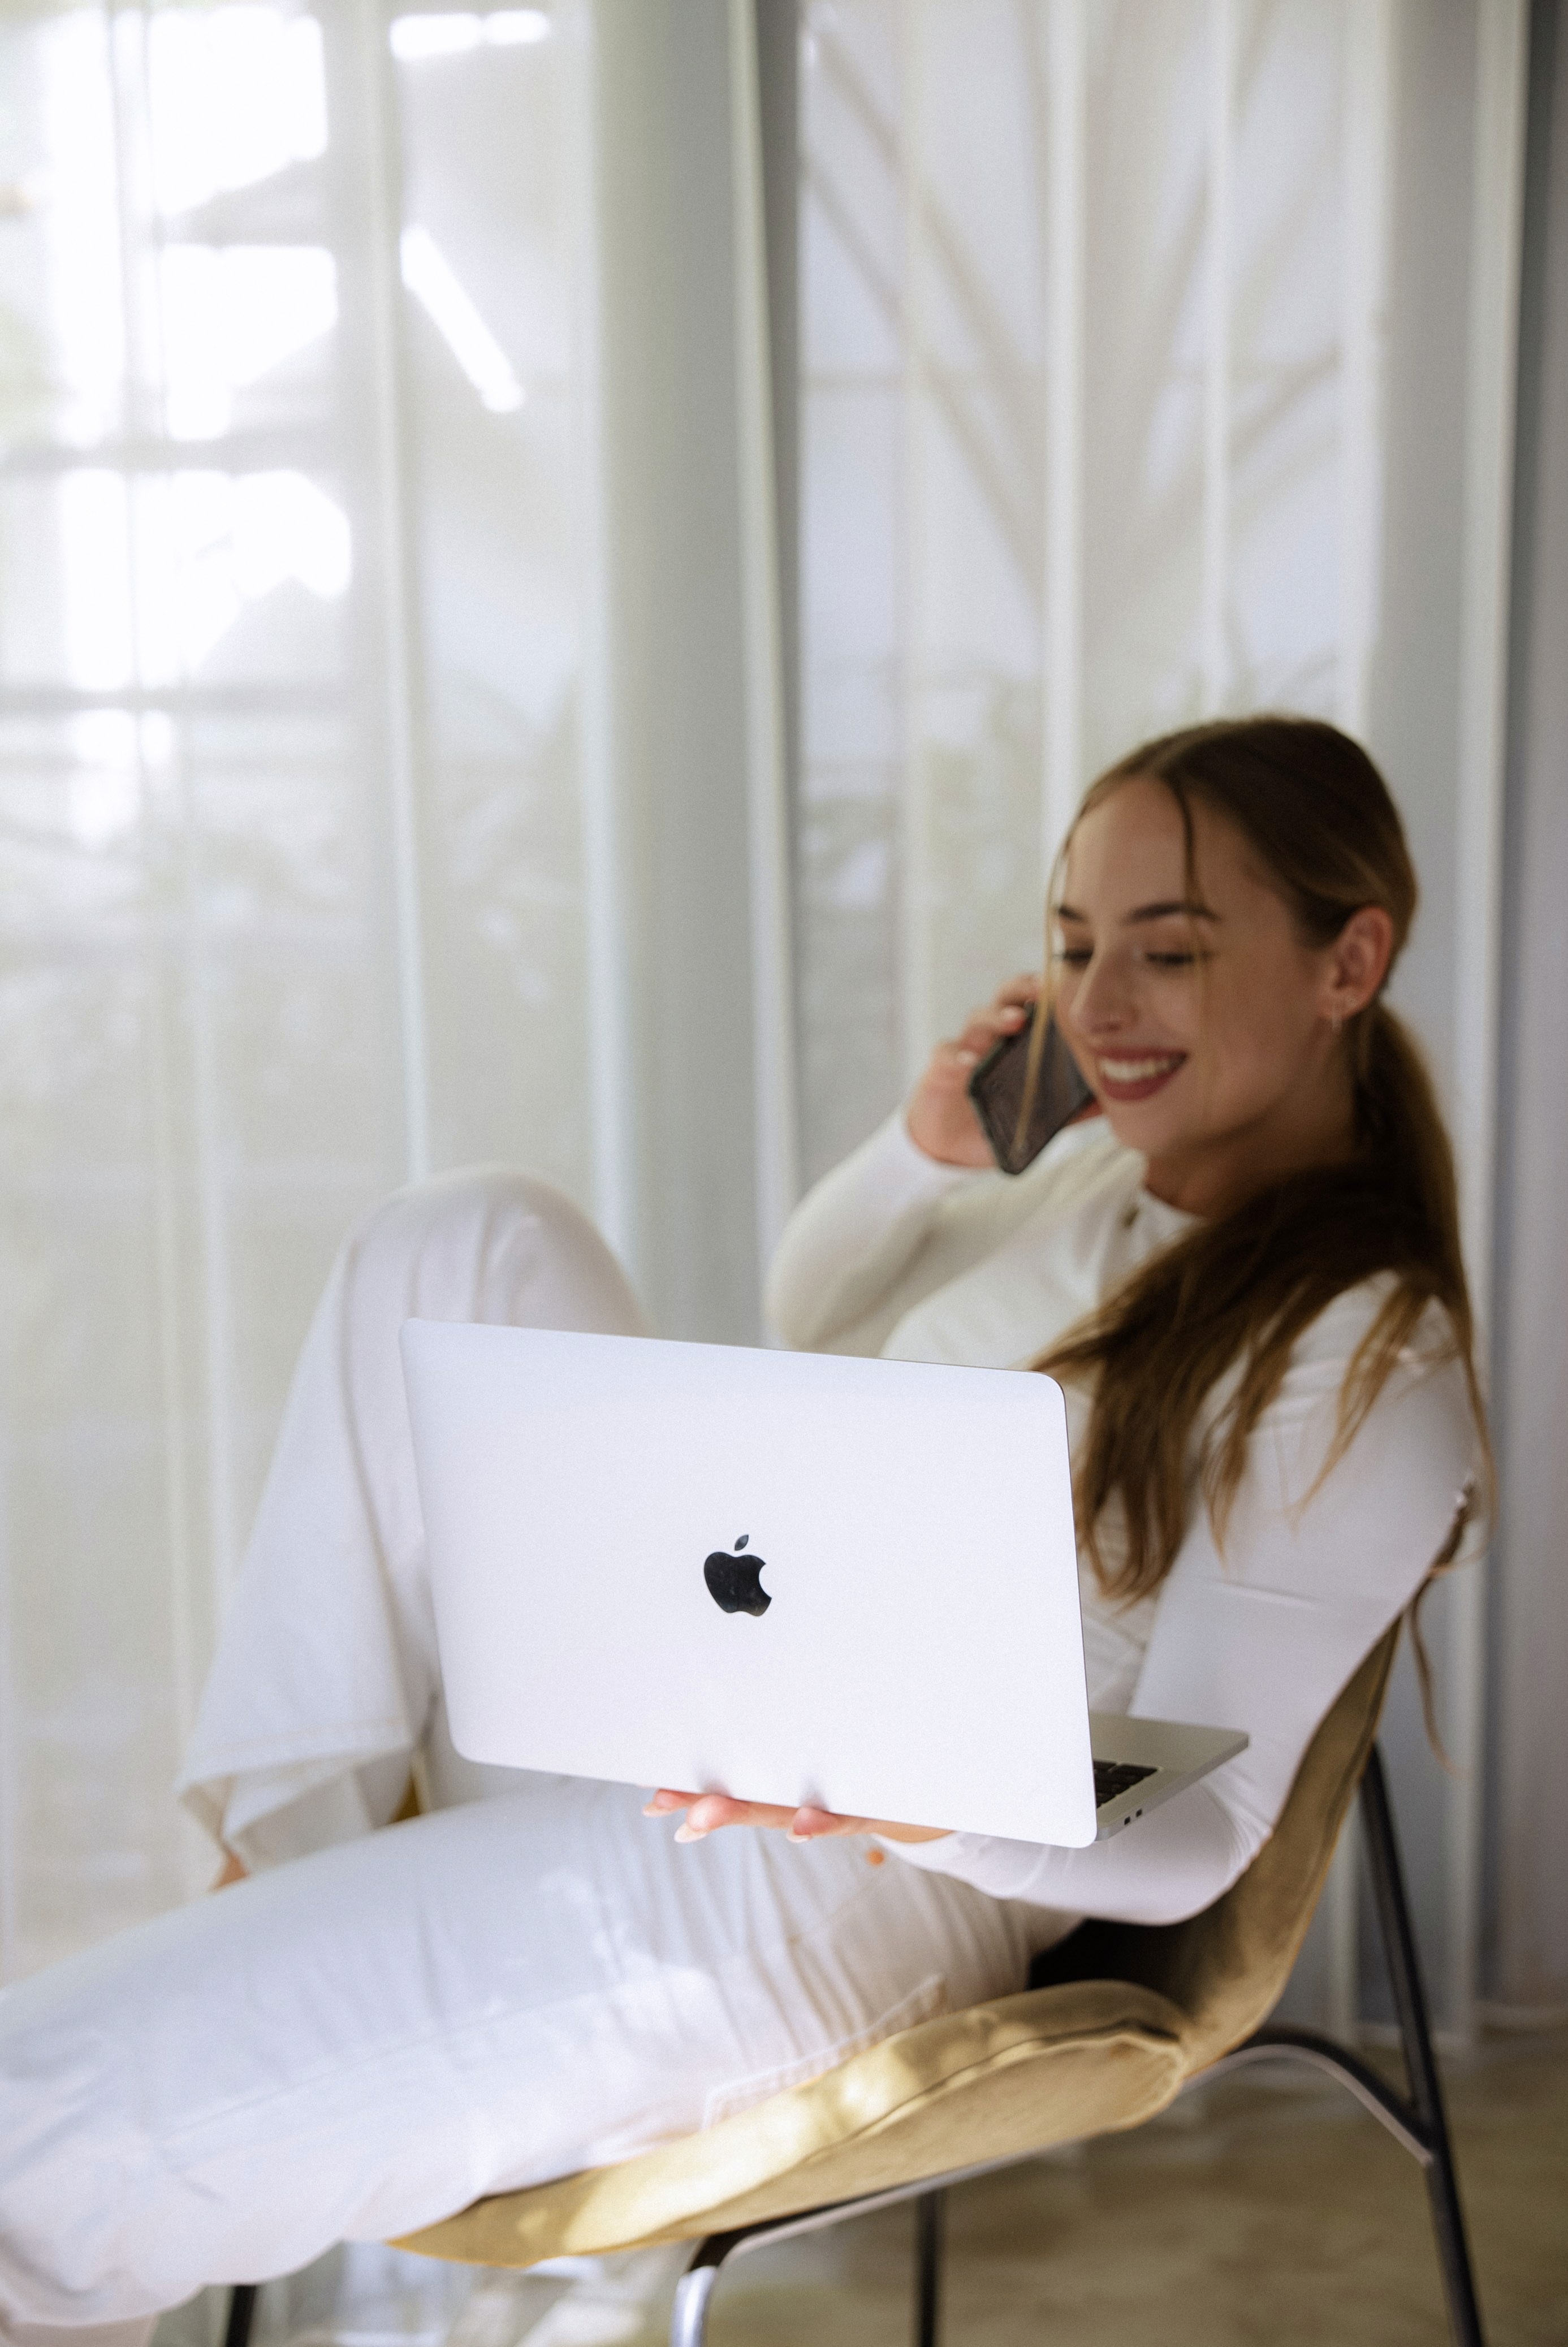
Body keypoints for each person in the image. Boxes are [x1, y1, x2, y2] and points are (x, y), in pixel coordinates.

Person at [0, 718, 1482, 2346]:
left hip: (840, 1880)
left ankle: (277, 1976)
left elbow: (1189, 1823)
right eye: (1073, 946)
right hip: (707, 1718)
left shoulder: (1364, 1364)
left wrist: (887, 1781)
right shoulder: (1091, 1195)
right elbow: (817, 1315)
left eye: (1172, 950)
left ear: (1352, 962)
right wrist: (932, 1151)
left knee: (41, 2130)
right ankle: (286, 1911)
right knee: (465, 1239)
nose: (1100, 1008)